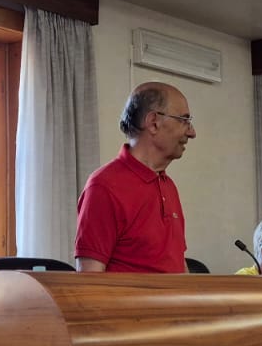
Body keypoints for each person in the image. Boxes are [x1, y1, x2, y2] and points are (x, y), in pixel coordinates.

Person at [75, 81, 195, 273]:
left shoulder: (169, 186)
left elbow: (178, 264)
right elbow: (89, 278)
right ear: (154, 122)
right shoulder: (103, 187)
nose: (192, 132)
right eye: (184, 120)